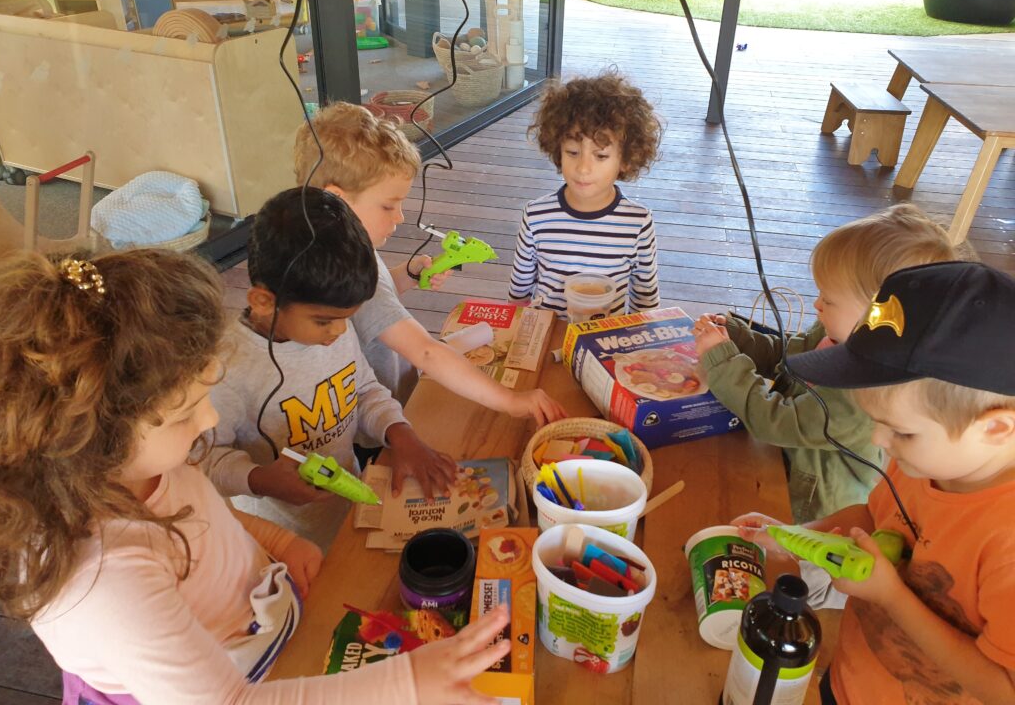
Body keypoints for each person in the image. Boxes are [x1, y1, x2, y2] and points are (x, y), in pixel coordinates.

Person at [0, 248, 511, 705]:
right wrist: (409, 686)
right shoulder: (101, 577)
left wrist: (278, 539)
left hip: (268, 631)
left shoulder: (153, 462)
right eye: (186, 412)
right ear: (94, 434)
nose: (211, 420)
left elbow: (208, 514)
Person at [735, 261, 1015, 704]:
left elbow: (1004, 688)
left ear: (996, 429)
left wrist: (891, 598)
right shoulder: (927, 462)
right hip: (851, 680)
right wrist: (791, 536)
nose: (878, 441)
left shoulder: (1006, 541)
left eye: (901, 431)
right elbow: (871, 516)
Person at [204, 188, 456, 550]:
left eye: (347, 319)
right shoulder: (227, 369)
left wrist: (401, 433)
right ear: (263, 302)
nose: (339, 332)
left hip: (346, 521)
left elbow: (364, 389)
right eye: (324, 321)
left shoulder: (332, 327)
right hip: (281, 545)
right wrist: (259, 479)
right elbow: (206, 461)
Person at [293, 102, 564, 433]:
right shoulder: (346, 270)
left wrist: (406, 274)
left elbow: (371, 304)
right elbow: (425, 352)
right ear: (336, 200)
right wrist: (511, 401)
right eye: (389, 205)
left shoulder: (334, 248)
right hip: (379, 421)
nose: (400, 217)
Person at [693, 204, 958, 523]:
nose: (817, 304)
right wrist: (736, 337)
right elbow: (786, 356)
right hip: (780, 463)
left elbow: (776, 422)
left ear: (878, 314)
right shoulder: (836, 332)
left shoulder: (864, 396)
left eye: (829, 299)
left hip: (814, 511)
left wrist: (724, 362)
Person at [507, 72, 662, 318]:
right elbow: (519, 296)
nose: (583, 168)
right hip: (546, 337)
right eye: (572, 152)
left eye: (601, 156)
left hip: (608, 344)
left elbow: (646, 302)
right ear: (557, 148)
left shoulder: (637, 223)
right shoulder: (536, 216)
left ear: (626, 159)